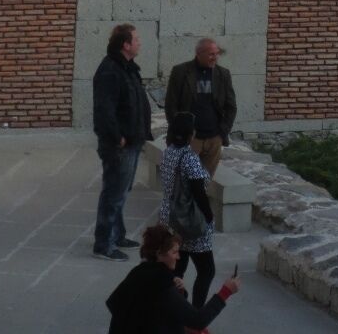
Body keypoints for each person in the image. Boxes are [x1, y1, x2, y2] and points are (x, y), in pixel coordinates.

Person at [106, 223, 239, 334]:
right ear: (159, 254)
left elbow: (118, 305)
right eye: (174, 252)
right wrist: (226, 291)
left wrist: (178, 292)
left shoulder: (140, 271)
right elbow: (198, 320)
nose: (178, 257)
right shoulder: (160, 281)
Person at [92, 23, 152, 262]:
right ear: (126, 45)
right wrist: (118, 137)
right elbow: (104, 110)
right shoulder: (110, 71)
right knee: (113, 193)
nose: (139, 42)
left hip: (132, 140)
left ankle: (117, 235)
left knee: (122, 191)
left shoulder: (127, 67)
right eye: (136, 39)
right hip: (120, 145)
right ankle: (103, 245)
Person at [159, 112, 215, 307]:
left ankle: (175, 309)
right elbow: (198, 192)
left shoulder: (168, 152)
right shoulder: (189, 158)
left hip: (170, 217)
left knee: (177, 268)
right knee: (206, 270)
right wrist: (208, 217)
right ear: (191, 134)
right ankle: (195, 314)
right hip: (189, 220)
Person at [164, 38, 236, 179]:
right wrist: (181, 133)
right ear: (199, 53)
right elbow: (171, 105)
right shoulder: (181, 72)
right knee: (184, 182)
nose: (215, 58)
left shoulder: (223, 74)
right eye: (211, 54)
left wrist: (222, 132)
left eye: (217, 54)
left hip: (214, 139)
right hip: (190, 139)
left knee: (204, 183)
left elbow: (231, 106)